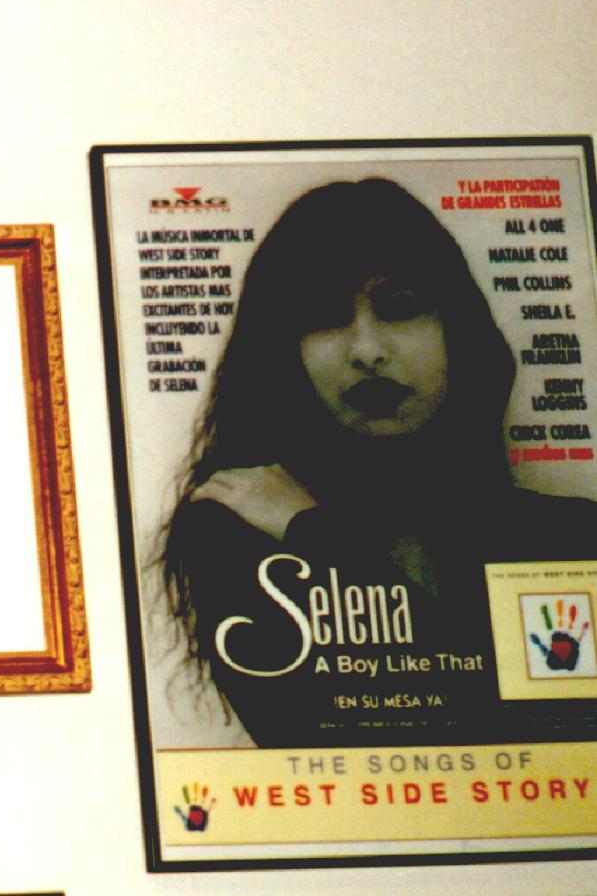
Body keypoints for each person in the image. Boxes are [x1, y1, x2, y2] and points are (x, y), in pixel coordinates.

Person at [157, 178, 597, 746]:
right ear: (283, 352)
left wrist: (316, 534)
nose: (366, 350)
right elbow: (337, 744)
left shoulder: (571, 536)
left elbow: (541, 736)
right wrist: (312, 534)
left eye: (401, 308)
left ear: (456, 332)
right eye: (323, 316)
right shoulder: (239, 528)